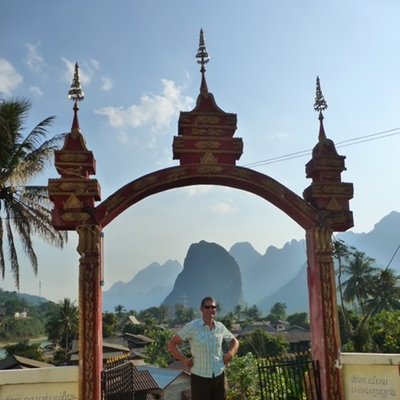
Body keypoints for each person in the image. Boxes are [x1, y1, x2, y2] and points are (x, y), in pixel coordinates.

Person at [167, 296, 239, 400]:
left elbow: (235, 341)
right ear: (201, 309)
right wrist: (185, 361)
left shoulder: (220, 327)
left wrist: (230, 354)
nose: (210, 309)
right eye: (207, 307)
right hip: (200, 378)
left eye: (213, 307)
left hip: (219, 376)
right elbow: (172, 344)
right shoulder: (192, 327)